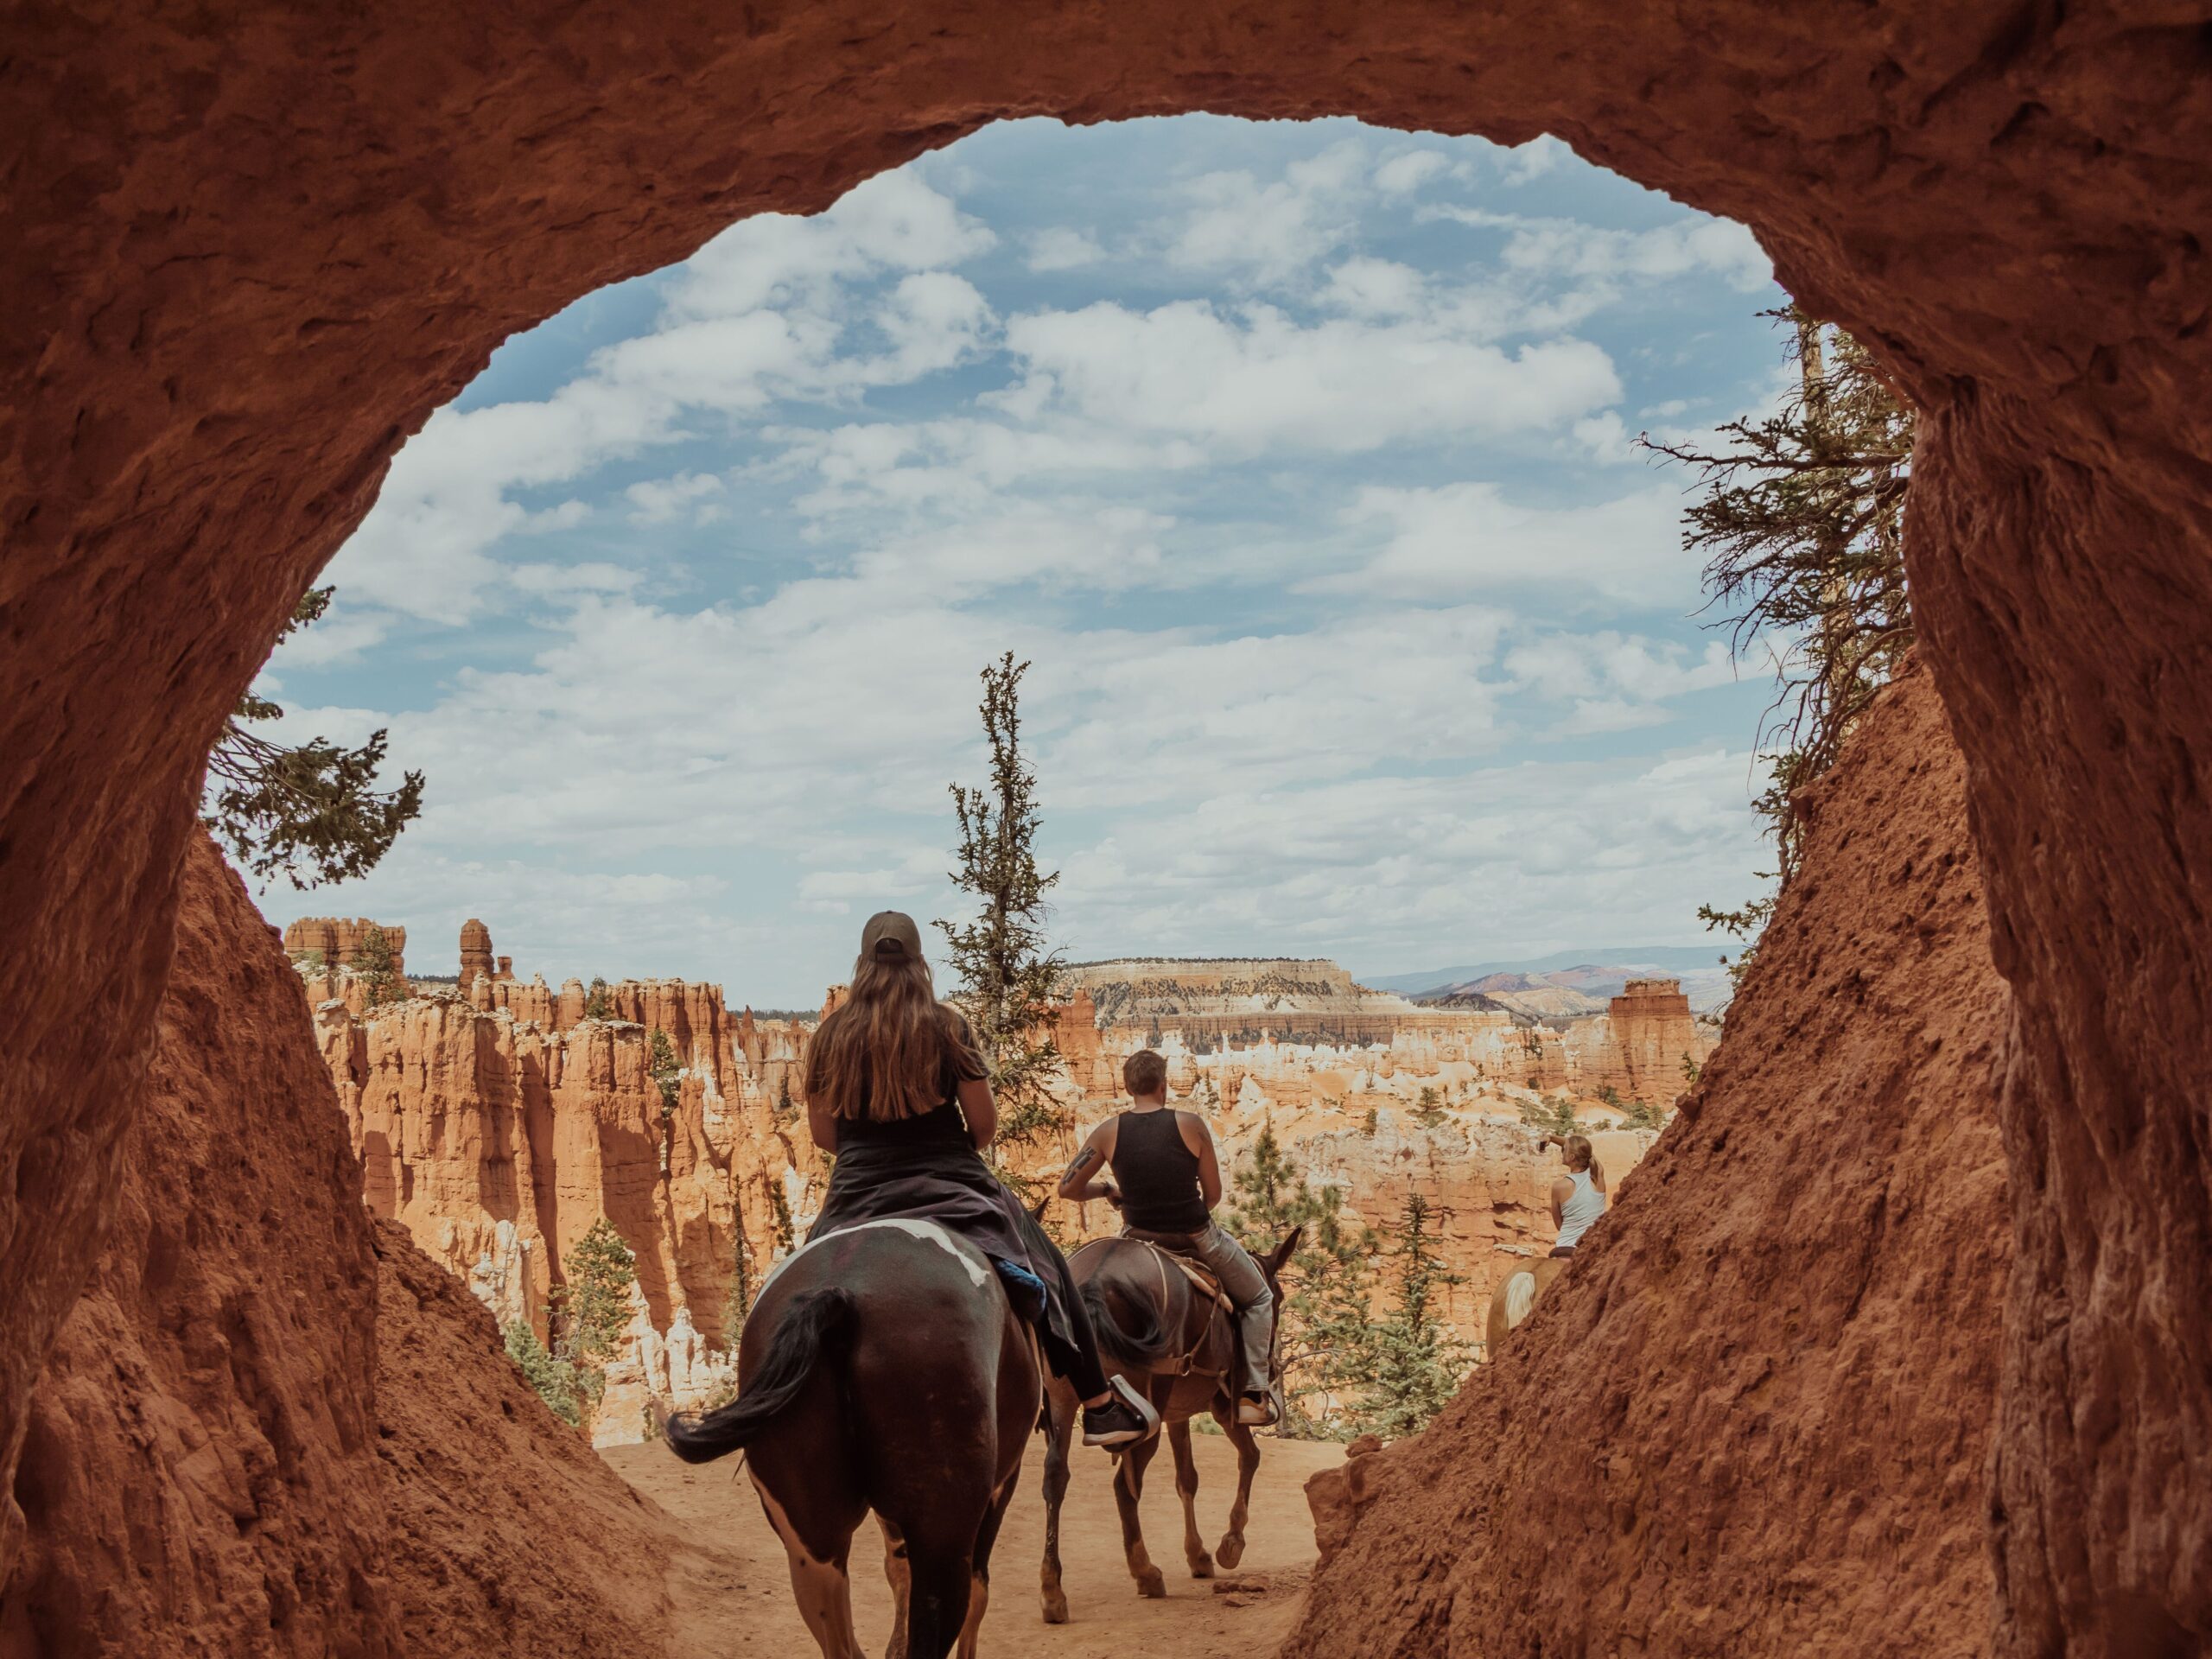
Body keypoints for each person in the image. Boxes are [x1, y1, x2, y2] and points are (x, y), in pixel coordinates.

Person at [804, 911, 1158, 1450]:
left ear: (863, 962)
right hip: (950, 1179)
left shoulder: (830, 1035)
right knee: (1050, 1265)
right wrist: (946, 1154)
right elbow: (985, 1126)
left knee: (802, 1280)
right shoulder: (947, 1026)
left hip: (857, 1188)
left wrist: (868, 1154)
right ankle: (1100, 1405)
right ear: (920, 962)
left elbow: (824, 1136)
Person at [1057, 1049, 1279, 1426]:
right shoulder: (1190, 1125)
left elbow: (1068, 1188)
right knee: (1259, 1297)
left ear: (1128, 1087)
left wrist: (1108, 1189)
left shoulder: (1108, 1131)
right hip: (1196, 1236)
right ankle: (1253, 1393)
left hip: (1137, 1238)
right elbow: (1213, 1196)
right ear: (1163, 1085)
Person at [1544, 1131, 1607, 1257]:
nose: (1562, 1152)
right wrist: (1551, 1138)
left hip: (1566, 1248)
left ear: (1572, 1157)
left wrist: (1551, 1137)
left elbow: (1559, 1225)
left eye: (1564, 1150)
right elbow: (1587, 1152)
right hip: (1592, 1247)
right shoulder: (1598, 1176)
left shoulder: (1559, 1186)